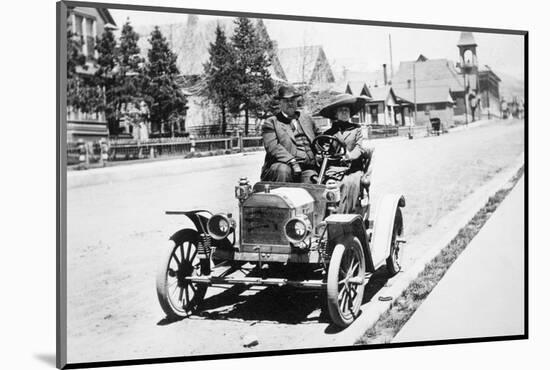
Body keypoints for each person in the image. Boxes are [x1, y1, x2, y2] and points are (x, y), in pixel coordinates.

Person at [317, 93, 373, 213]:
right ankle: (325, 212)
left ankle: (346, 212)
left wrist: (350, 156)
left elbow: (359, 147)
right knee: (322, 185)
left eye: (346, 110)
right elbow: (324, 149)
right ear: (335, 114)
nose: (344, 113)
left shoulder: (356, 129)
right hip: (333, 168)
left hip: (352, 168)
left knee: (348, 183)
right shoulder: (329, 132)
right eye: (341, 110)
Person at [260, 85, 318, 183]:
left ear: (296, 102)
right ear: (280, 103)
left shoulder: (307, 119)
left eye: (293, 100)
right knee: (283, 170)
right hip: (283, 165)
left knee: (313, 179)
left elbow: (319, 137)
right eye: (286, 101)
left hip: (307, 166)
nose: (290, 103)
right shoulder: (272, 122)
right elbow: (273, 147)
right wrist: (292, 161)